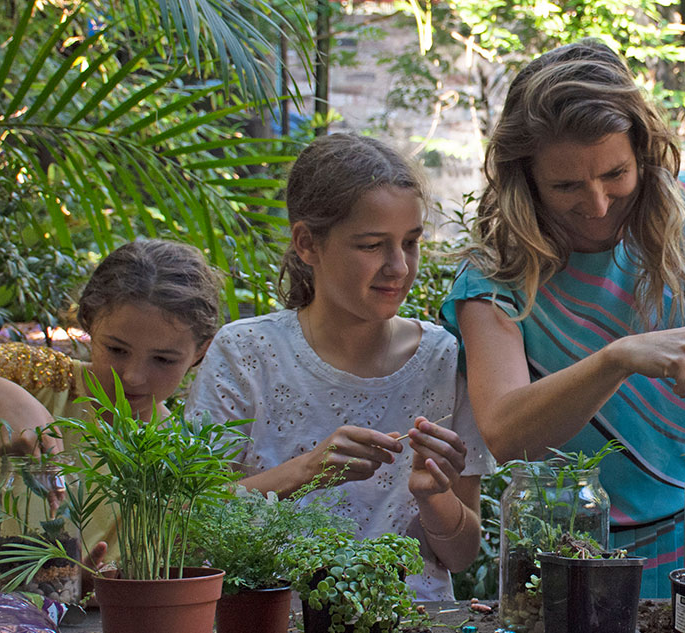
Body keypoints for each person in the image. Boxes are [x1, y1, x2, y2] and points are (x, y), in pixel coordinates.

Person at [440, 39, 685, 594]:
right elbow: (507, 435)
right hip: (564, 553)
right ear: (525, 177)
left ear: (642, 150)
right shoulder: (495, 277)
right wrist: (617, 359)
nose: (595, 203)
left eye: (614, 174)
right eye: (566, 185)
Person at [183, 134, 495, 601]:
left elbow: (461, 554)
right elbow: (191, 523)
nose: (398, 266)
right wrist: (306, 469)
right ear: (307, 243)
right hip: (273, 617)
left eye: (410, 243)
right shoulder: (245, 353)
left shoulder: (446, 359)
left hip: (413, 619)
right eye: (372, 245)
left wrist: (434, 497)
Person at [0, 238, 223, 599]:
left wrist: (95, 583)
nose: (133, 377)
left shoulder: (181, 455)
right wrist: (1, 396)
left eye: (164, 360)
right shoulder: (41, 381)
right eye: (117, 349)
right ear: (89, 322)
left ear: (201, 350)